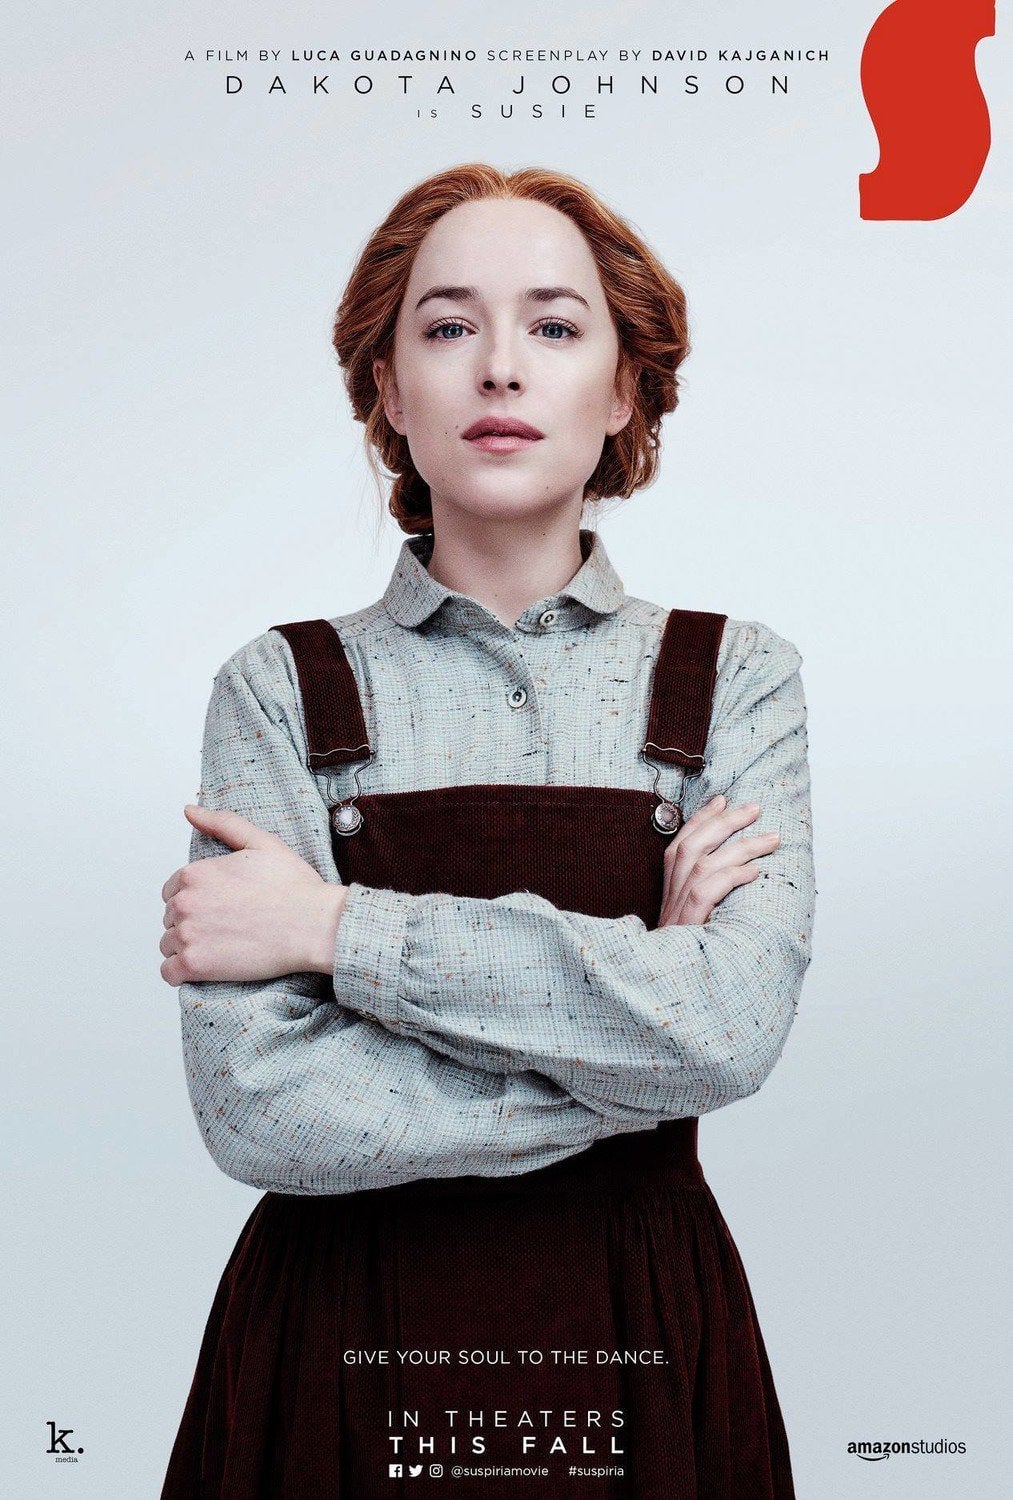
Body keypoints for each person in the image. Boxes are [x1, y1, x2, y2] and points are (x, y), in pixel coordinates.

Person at [159, 163, 815, 1498]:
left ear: (623, 389)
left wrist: (330, 928)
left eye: (554, 325)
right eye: (449, 325)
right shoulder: (276, 689)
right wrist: (635, 1056)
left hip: (641, 1338)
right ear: (390, 391)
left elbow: (733, 1028)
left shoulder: (736, 678)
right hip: (336, 1348)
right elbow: (258, 1109)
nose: (500, 366)